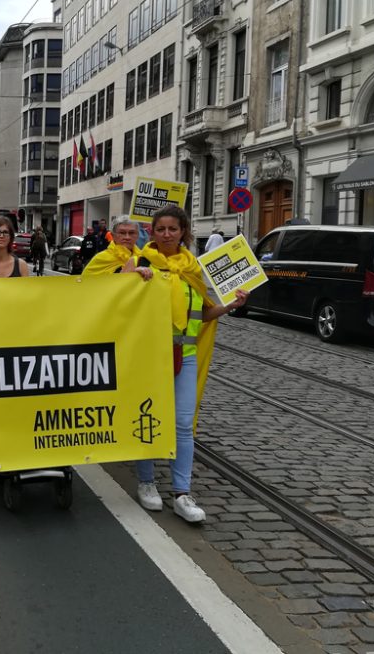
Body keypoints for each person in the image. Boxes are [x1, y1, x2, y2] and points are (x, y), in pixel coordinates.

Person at [133, 205, 248, 523]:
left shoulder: (193, 269)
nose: (167, 234)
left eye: (173, 229)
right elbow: (118, 305)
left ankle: (182, 493)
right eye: (161, 229)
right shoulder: (140, 262)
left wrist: (230, 306)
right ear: (152, 232)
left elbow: (204, 313)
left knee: (183, 425)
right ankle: (146, 482)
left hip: (185, 355)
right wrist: (133, 278)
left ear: (183, 231)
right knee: (150, 419)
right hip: (148, 357)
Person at [82, 215, 152, 279]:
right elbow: (85, 286)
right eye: (122, 233)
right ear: (113, 236)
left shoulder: (144, 258)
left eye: (131, 233)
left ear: (137, 236)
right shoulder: (100, 258)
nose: (127, 237)